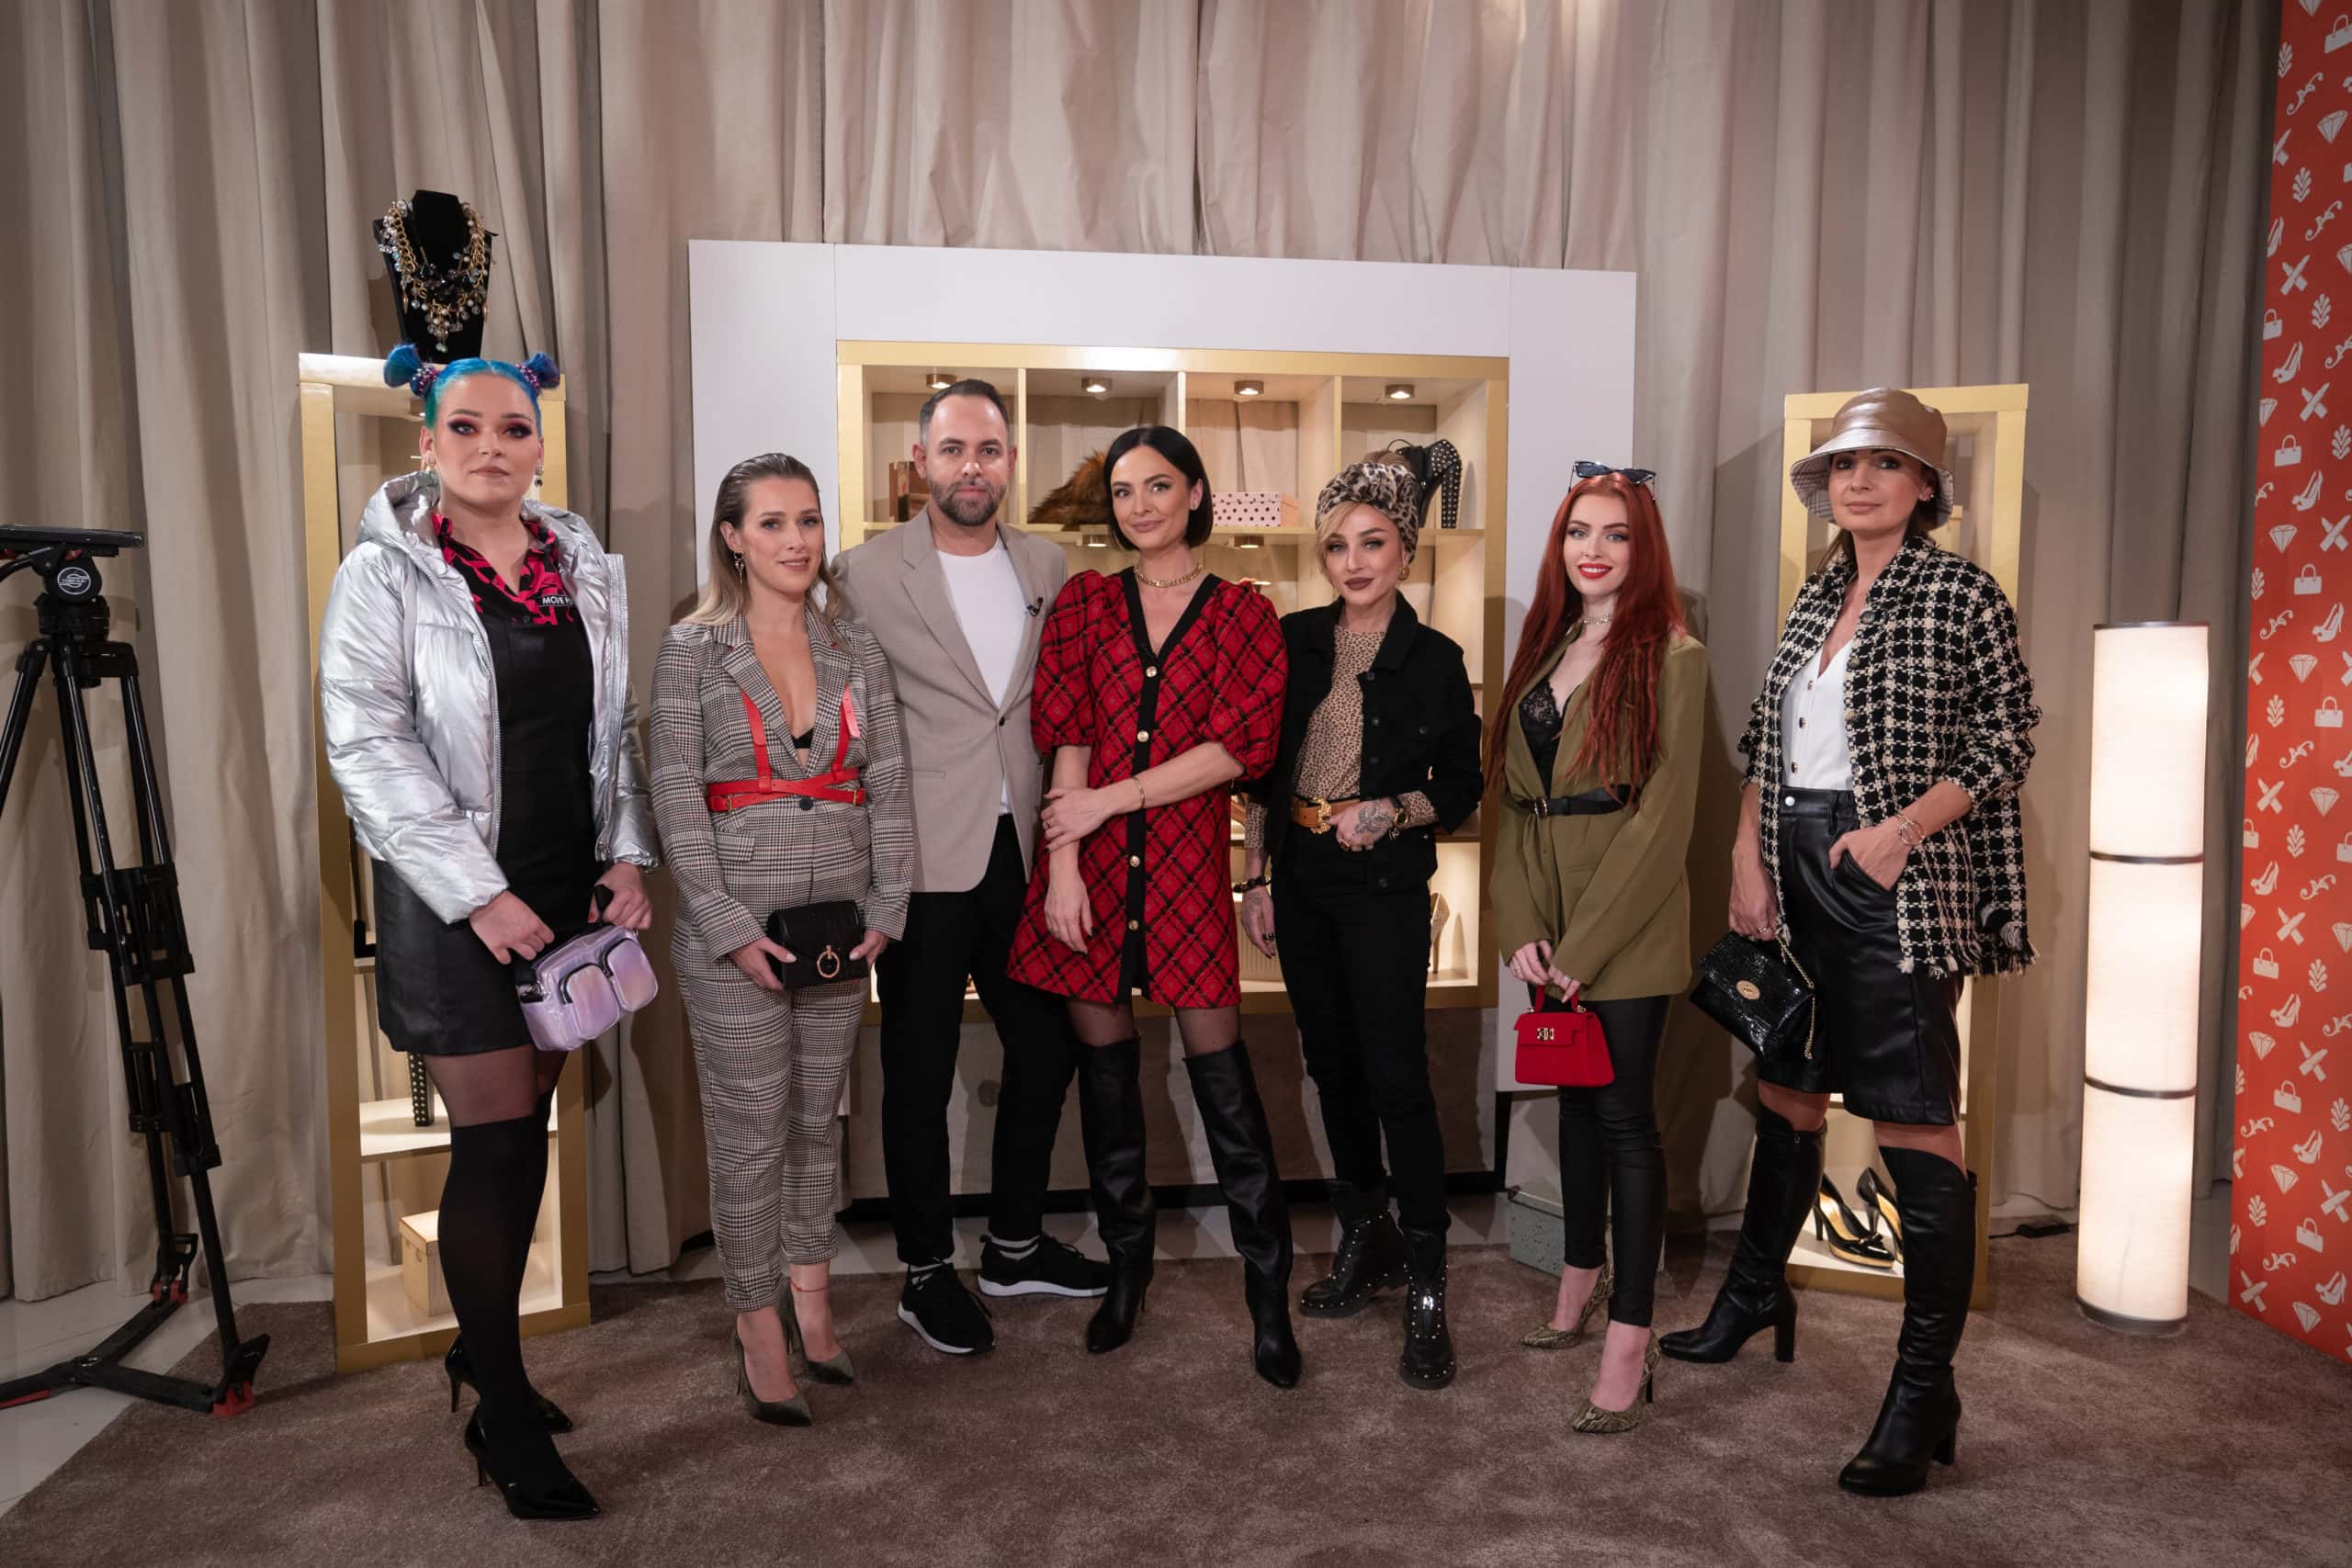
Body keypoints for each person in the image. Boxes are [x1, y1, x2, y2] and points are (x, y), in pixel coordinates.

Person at [1661, 389, 2039, 1496]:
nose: (1857, 481)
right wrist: (1745, 857)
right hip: (1791, 864)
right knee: (1787, 1086)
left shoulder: (1961, 592)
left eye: (1883, 464)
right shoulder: (1815, 595)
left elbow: (2006, 736)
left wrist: (1899, 832)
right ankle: (1753, 1295)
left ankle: (1921, 1391)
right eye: (1841, 465)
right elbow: (1764, 746)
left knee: (1913, 1117)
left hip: (1893, 879)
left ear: (1924, 486)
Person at [320, 345, 655, 1521]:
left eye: (513, 428)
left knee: (529, 1132)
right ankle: (501, 1409)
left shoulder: (583, 567)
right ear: (425, 442)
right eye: (464, 427)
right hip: (453, 898)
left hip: (564, 886)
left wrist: (626, 851)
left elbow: (610, 731)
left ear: (538, 446)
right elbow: (368, 746)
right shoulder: (382, 574)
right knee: (497, 1141)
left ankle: (482, 1349)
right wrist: (479, 893)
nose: (490, 448)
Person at [1004, 424, 1301, 1387]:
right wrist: (1061, 866)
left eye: (1158, 486)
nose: (1139, 506)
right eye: (1124, 490)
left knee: (1226, 1090)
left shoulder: (1243, 613)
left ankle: (1267, 1292)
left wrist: (1113, 802)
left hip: (1183, 875)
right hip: (1089, 872)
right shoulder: (1087, 604)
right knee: (1108, 1092)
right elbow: (1070, 736)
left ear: (1196, 493)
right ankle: (1125, 1271)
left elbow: (1238, 750)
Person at [835, 379, 1110, 1359]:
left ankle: (1013, 1245)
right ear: (921, 462)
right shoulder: (862, 571)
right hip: (917, 854)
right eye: (952, 450)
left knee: (1046, 1048)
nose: (971, 467)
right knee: (918, 1070)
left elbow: (1057, 705)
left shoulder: (1047, 562)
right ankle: (923, 1270)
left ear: (1010, 462)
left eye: (988, 450)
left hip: (1025, 851)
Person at [650, 453, 912, 1425]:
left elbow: (889, 782)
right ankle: (755, 1321)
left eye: (807, 520)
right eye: (771, 523)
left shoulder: (855, 645)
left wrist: (888, 904)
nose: (796, 540)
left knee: (813, 1123)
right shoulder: (690, 649)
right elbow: (675, 795)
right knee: (752, 1130)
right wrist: (726, 928)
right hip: (738, 936)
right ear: (732, 538)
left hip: (839, 928)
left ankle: (813, 1299)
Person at [1238, 459, 1481, 1390]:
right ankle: (1365, 1237)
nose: (1353, 561)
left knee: (1395, 1076)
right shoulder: (1293, 639)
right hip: (1300, 879)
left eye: (1372, 542)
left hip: (1383, 886)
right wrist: (1256, 879)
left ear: (1405, 551)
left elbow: (1463, 784)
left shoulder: (1437, 658)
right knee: (1331, 1068)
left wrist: (1395, 809)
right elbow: (1261, 771)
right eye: (1336, 545)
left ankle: (1427, 1275)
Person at [1489, 462, 1707, 1434]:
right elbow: (1513, 801)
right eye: (1580, 530)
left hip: (1628, 921)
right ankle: (1576, 1284)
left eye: (1616, 533)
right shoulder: (1547, 647)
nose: (1594, 549)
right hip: (1550, 923)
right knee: (1573, 1108)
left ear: (1643, 547)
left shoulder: (1673, 656)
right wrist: (1521, 925)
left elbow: (1663, 820)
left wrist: (1585, 942)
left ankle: (1630, 1338)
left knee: (1623, 1120)